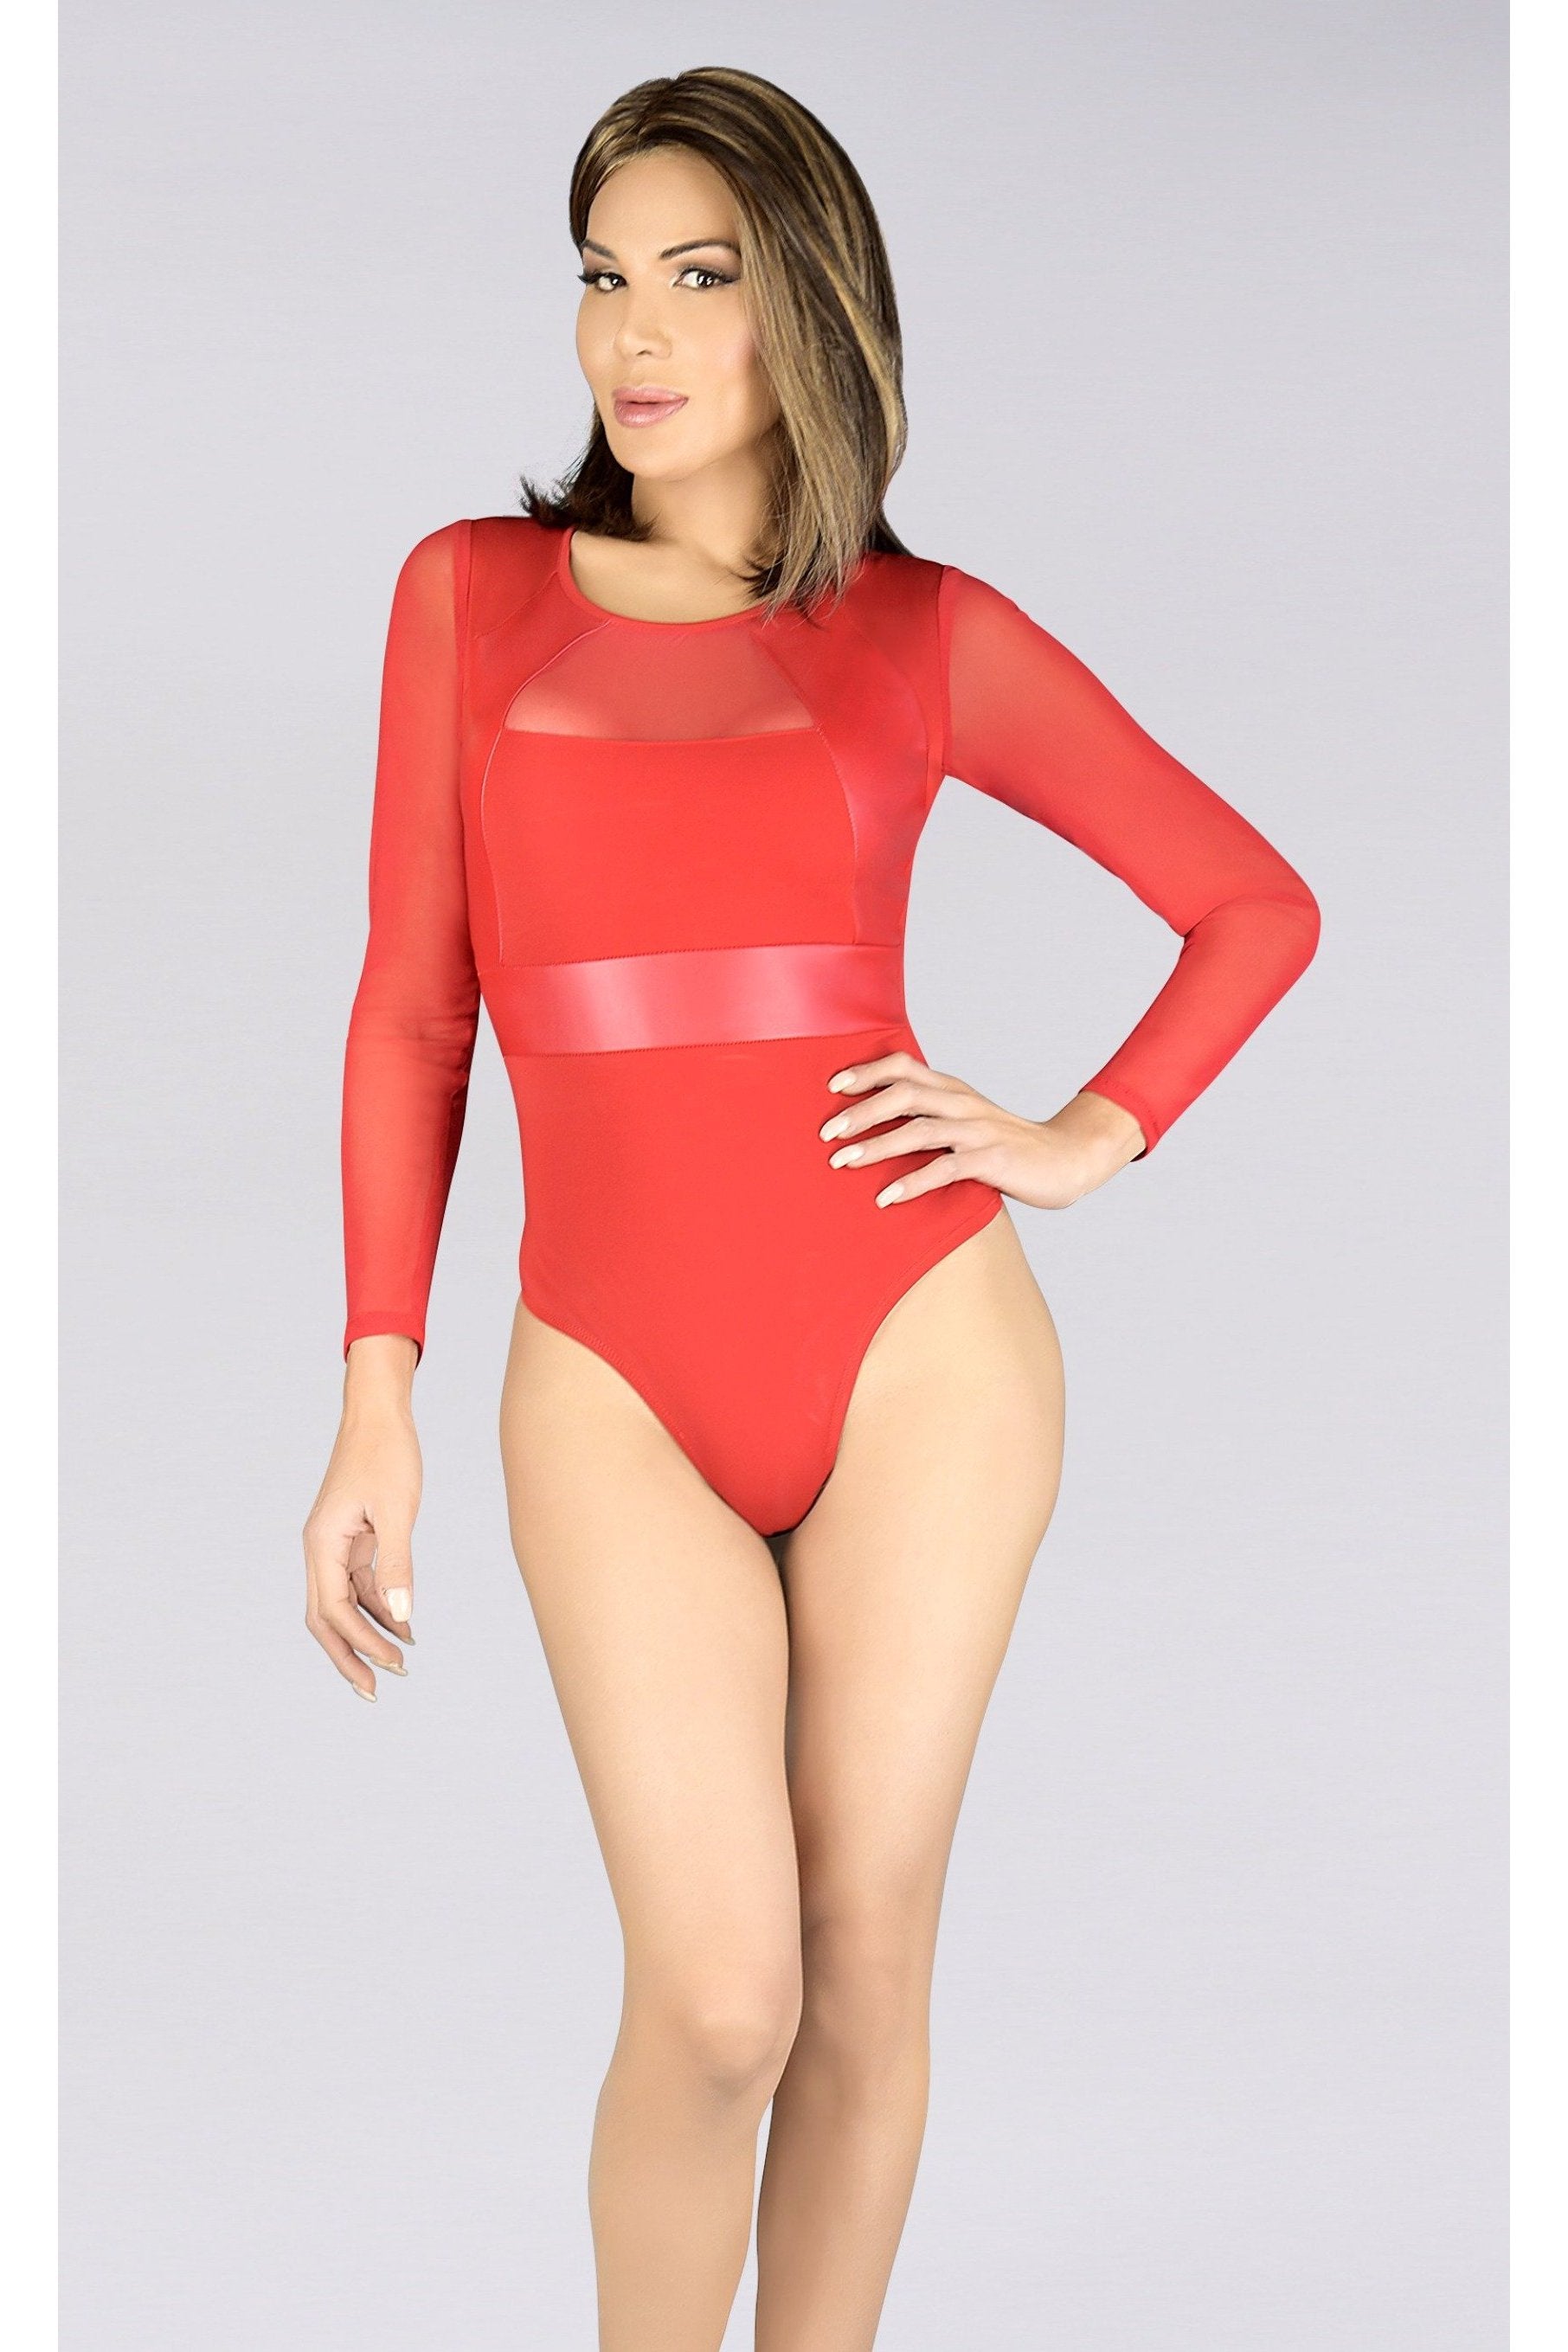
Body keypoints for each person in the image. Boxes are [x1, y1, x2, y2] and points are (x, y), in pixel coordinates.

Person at [302, 65, 1320, 2352]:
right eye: (602, 276)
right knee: (719, 1995)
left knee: (862, 1964)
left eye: (701, 275)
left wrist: (1086, 1133)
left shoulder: (920, 630)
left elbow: (1253, 903)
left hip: (920, 1356)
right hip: (610, 1373)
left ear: (810, 308)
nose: (635, 333)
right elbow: (413, 1014)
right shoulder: (469, 599)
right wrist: (375, 1394)